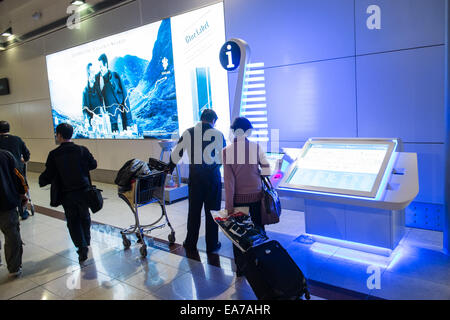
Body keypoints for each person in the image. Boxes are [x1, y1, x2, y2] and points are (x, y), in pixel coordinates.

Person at [38, 123, 97, 263]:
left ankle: (81, 247)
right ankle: (86, 241)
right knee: (84, 216)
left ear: (59, 135)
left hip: (67, 194)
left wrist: (41, 180)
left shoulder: (54, 154)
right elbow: (93, 164)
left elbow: (49, 174)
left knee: (72, 220)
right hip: (84, 191)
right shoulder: (82, 150)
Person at [169, 109, 226, 253]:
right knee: (212, 212)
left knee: (193, 211)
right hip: (212, 178)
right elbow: (224, 157)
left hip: (195, 178)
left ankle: (190, 242)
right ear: (213, 120)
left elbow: (176, 154)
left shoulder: (188, 132)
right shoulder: (218, 134)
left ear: (201, 119)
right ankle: (212, 244)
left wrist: (168, 170)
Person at [222, 117, 271, 276]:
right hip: (256, 196)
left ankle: (241, 268)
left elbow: (229, 182)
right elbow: (266, 169)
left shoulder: (226, 151)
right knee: (258, 229)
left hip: (238, 199)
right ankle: (261, 262)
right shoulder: (256, 148)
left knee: (238, 234)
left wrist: (229, 206)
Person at [0, 149, 28, 277]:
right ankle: (14, 267)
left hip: (6, 202)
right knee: (12, 235)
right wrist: (23, 193)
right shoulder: (5, 155)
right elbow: (19, 176)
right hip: (6, 202)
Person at [0, 120, 31, 220]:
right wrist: (23, 160)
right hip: (17, 171)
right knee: (20, 190)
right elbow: (27, 155)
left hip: (2, 172)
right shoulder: (17, 140)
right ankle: (23, 212)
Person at [97, 53, 132, 133]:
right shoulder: (100, 83)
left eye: (101, 67)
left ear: (106, 64)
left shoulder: (115, 77)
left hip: (119, 123)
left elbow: (125, 97)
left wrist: (129, 121)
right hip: (109, 125)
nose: (100, 69)